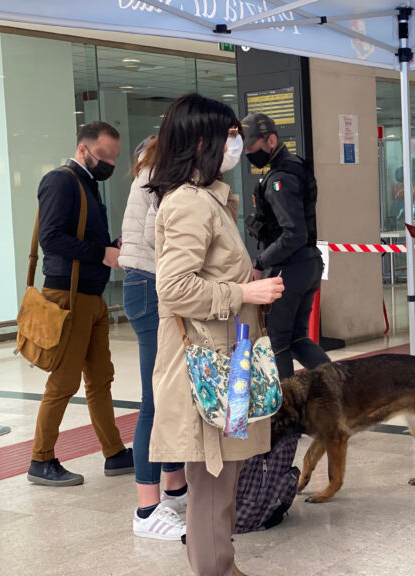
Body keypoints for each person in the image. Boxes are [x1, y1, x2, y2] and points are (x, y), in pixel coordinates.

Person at [147, 94, 284, 576]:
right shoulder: (189, 204)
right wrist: (246, 290)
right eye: (229, 135)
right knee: (210, 485)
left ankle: (223, 565)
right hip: (208, 363)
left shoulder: (210, 198)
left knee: (224, 480)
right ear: (202, 141)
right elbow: (175, 288)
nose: (237, 143)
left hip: (231, 358)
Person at [27, 121, 134, 486]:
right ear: (84, 149)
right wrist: (100, 252)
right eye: (104, 155)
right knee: (64, 381)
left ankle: (115, 452)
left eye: (114, 158)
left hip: (91, 296)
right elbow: (51, 239)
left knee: (101, 378)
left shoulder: (86, 183)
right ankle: (40, 460)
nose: (109, 164)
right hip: (68, 296)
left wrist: (110, 246)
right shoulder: (60, 180)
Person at [120, 135, 193, 540]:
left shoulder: (155, 167)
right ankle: (147, 510)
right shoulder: (163, 171)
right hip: (150, 286)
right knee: (155, 399)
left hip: (147, 283)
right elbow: (157, 237)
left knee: (167, 393)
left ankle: (174, 487)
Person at [241, 112, 330, 379]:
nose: (248, 153)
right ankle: (342, 388)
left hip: (290, 267)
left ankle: (285, 411)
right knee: (296, 339)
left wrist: (260, 262)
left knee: (277, 343)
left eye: (251, 146)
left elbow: (293, 233)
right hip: (307, 264)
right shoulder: (294, 167)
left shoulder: (281, 177)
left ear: (271, 140)